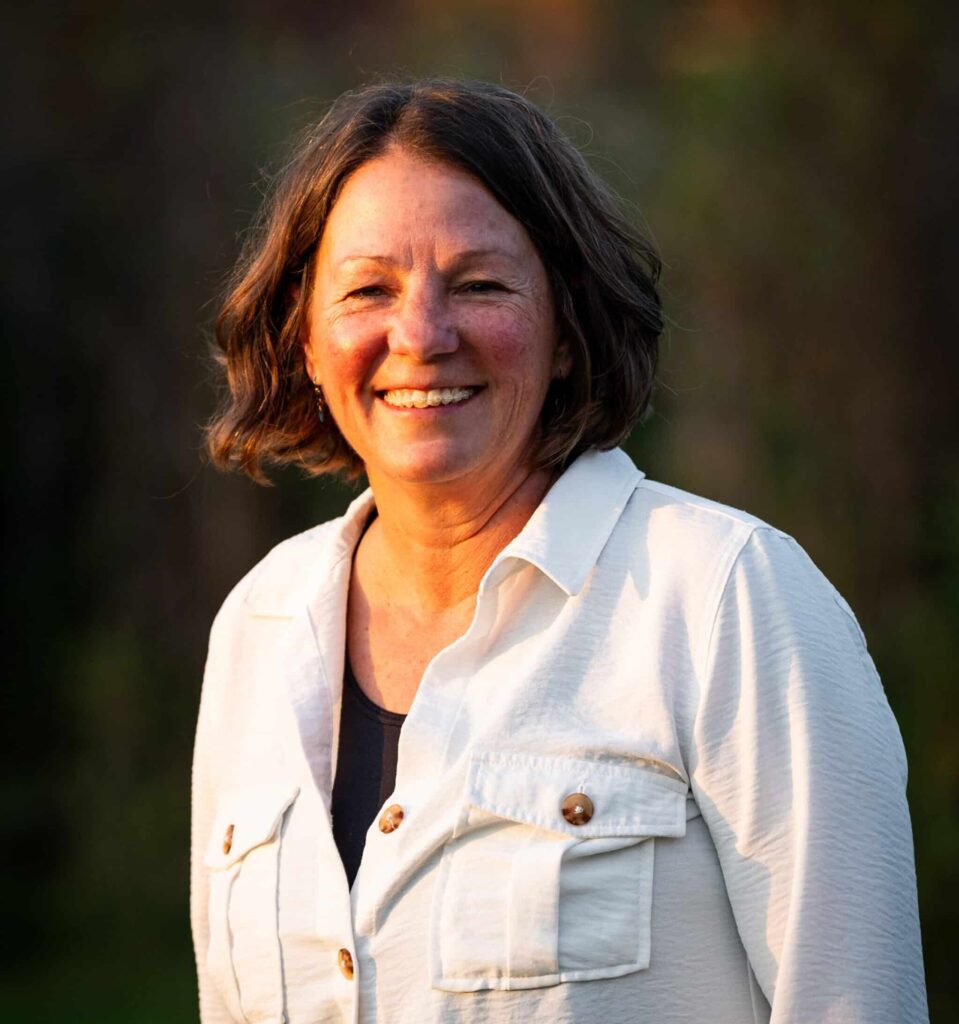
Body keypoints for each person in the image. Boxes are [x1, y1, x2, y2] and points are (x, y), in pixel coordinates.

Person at [191, 79, 927, 1024]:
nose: (420, 335)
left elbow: (853, 1002)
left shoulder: (727, 597)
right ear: (304, 334)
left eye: (479, 285)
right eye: (368, 288)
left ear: (568, 330)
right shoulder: (258, 623)